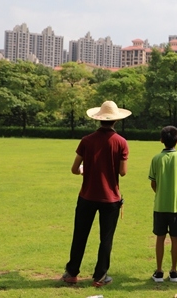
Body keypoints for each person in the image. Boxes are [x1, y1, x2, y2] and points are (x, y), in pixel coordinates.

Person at [60, 100, 131, 288]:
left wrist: (84, 169)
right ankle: (100, 276)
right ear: (116, 120)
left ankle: (71, 273)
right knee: (105, 239)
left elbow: (75, 169)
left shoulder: (87, 140)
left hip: (87, 196)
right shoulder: (121, 142)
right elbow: (123, 172)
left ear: (98, 119)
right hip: (111, 198)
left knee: (80, 235)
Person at [148, 126, 177, 283]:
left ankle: (159, 271)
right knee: (175, 239)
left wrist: (160, 193)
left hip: (160, 205)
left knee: (160, 238)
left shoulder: (156, 159)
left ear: (161, 140)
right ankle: (173, 271)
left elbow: (153, 183)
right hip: (176, 206)